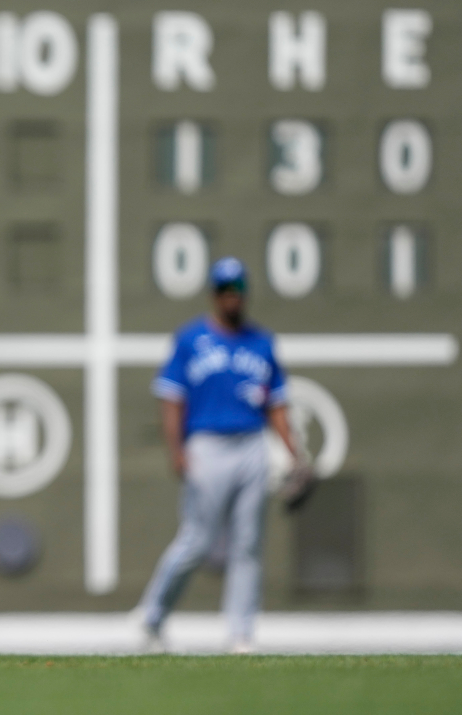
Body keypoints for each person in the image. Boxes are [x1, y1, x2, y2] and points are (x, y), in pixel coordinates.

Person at [137, 257, 301, 653]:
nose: (232, 296)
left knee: (248, 543)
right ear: (214, 294)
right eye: (225, 289)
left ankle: (240, 632)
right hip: (206, 444)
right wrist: (177, 450)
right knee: (197, 539)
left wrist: (295, 454)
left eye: (238, 289)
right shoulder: (191, 339)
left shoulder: (261, 343)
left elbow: (276, 405)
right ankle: (153, 617)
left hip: (250, 443)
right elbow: (171, 398)